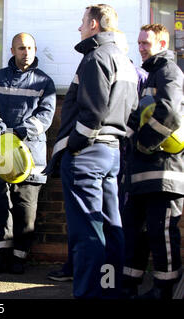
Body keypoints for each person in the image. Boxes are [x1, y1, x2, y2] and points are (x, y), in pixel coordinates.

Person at [43, 4, 138, 298]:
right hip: (111, 153)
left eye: (82, 22)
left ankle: (88, 294)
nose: (79, 28)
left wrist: (74, 146)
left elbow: (92, 113)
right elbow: (131, 113)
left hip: (87, 153)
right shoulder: (125, 61)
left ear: (95, 24)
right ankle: (109, 290)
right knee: (111, 227)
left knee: (87, 231)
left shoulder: (96, 57)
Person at [0, 32, 56, 274]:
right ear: (12, 50)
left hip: (31, 156)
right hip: (1, 154)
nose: (27, 52)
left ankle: (19, 258)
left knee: (26, 209)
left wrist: (19, 133)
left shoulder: (44, 82)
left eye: (31, 48)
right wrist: (4, 135)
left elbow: (45, 116)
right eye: (22, 48)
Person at [121, 24, 183, 299]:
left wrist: (143, 143)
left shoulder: (169, 72)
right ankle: (129, 284)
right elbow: (138, 116)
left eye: (146, 43)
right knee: (136, 232)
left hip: (164, 173)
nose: (141, 47)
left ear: (162, 43)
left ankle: (166, 289)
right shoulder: (150, 76)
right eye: (139, 42)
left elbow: (170, 113)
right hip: (144, 173)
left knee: (162, 234)